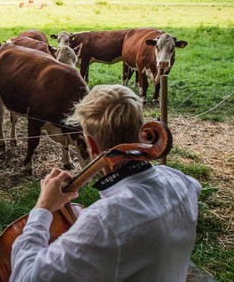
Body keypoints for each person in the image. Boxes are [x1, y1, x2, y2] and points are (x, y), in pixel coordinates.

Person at [10, 84, 201, 281]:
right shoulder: (182, 182)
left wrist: (43, 208)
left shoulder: (104, 222)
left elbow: (26, 277)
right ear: (142, 133)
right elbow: (194, 186)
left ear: (92, 146)